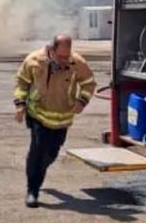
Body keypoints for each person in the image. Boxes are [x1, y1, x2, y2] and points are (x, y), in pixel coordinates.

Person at [13, 34, 97, 208]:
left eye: (67, 56)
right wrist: (20, 105)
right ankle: (32, 190)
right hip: (38, 114)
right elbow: (22, 83)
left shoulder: (77, 63)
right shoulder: (34, 61)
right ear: (51, 51)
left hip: (62, 118)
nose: (65, 60)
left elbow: (89, 83)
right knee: (38, 149)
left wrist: (82, 101)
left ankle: (37, 168)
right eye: (61, 57)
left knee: (51, 154)